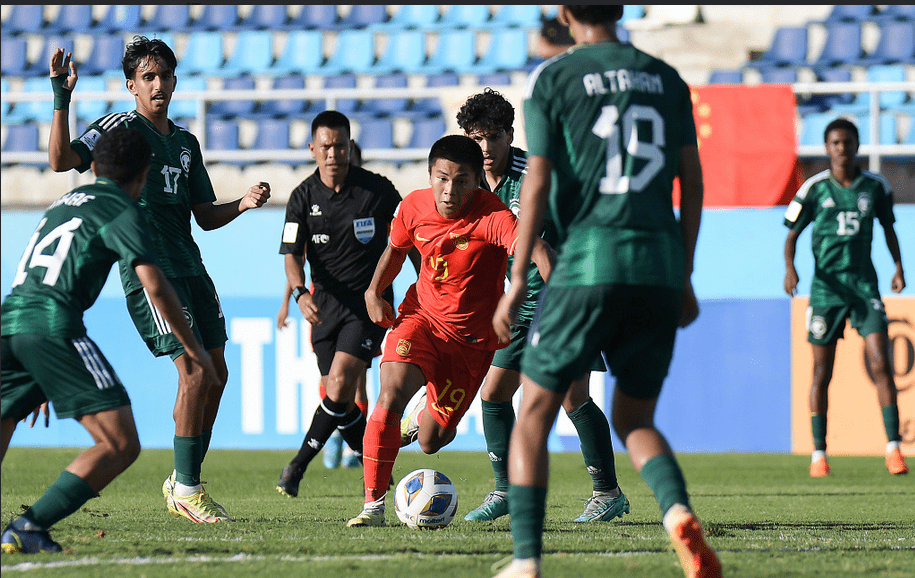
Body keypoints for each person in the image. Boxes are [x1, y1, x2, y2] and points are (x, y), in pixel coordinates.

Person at [492, 6, 722, 578]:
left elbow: (536, 180)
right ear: (620, 10)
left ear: (565, 13)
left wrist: (518, 277)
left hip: (588, 260)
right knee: (636, 419)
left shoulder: (553, 78)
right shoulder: (667, 79)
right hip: (658, 264)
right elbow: (693, 183)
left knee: (533, 412)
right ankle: (677, 512)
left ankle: (526, 561)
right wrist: (685, 273)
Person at [46, 37, 271, 523]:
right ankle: (188, 489)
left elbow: (204, 216)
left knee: (216, 375)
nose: (158, 85)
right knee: (193, 371)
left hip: (191, 268)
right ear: (131, 85)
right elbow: (61, 161)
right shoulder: (120, 130)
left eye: (165, 76)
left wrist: (242, 204)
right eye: (148, 77)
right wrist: (62, 98)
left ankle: (183, 480)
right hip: (149, 270)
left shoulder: (186, 144)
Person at [1, 127, 219, 554]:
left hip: (10, 321)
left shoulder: (64, 202)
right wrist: (196, 352)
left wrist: (40, 370)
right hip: (52, 326)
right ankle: (29, 526)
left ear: (96, 167)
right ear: (144, 174)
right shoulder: (123, 208)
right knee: (121, 444)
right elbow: (155, 285)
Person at [346, 135, 554, 528]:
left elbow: (539, 251)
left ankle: (422, 415)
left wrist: (558, 299)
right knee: (390, 395)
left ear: (477, 181)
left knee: (431, 441)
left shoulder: (493, 216)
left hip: (472, 343)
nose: (450, 191)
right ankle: (373, 507)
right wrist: (374, 291)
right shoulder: (413, 206)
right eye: (442, 179)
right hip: (421, 317)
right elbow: (395, 249)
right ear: (430, 175)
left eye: (461, 181)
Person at [456, 88, 629, 523]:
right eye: (476, 138)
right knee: (494, 393)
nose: (485, 147)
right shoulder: (468, 182)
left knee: (572, 396)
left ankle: (607, 492)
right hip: (516, 307)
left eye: (493, 136)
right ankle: (506, 490)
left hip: (562, 296)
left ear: (510, 135)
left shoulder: (537, 173)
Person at [275, 111, 418, 497]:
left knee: (340, 384)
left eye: (340, 146)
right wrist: (300, 293)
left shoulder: (377, 190)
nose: (333, 154)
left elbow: (409, 235)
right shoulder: (302, 197)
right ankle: (377, 470)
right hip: (323, 308)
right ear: (312, 149)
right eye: (325, 147)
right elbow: (292, 255)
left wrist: (426, 281)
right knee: (336, 398)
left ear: (350, 146)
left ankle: (297, 466)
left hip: (368, 305)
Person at [783, 117, 908, 478]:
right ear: (827, 148)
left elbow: (889, 229)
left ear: (857, 145)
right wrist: (790, 269)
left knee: (881, 363)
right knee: (822, 371)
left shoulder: (876, 186)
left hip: (864, 286)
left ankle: (893, 449)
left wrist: (898, 267)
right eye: (835, 143)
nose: (842, 148)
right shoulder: (814, 189)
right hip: (827, 290)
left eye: (847, 142)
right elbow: (791, 235)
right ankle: (819, 453)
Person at [276, 140, 368, 471]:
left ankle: (356, 449)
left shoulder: (368, 202)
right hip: (324, 306)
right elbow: (296, 258)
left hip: (360, 308)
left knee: (357, 381)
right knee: (332, 382)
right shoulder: (314, 203)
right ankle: (339, 439)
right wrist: (289, 301)